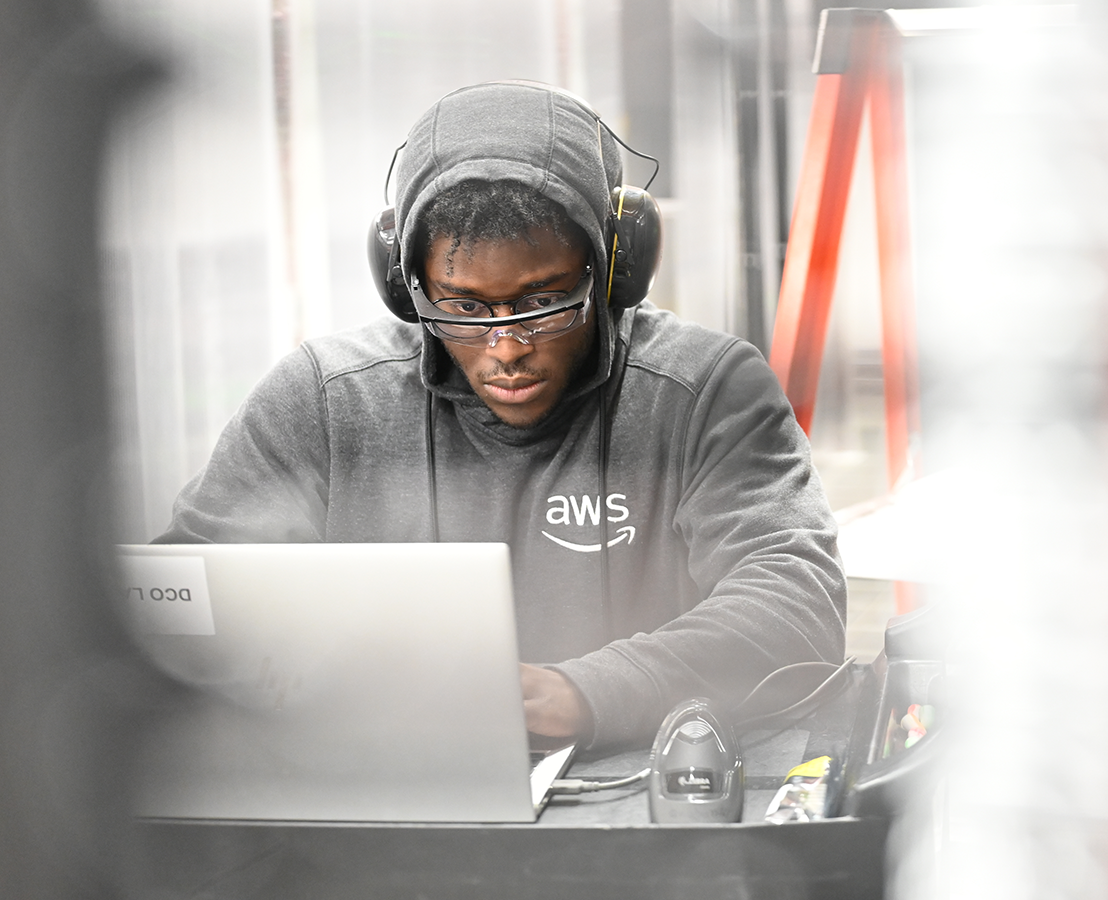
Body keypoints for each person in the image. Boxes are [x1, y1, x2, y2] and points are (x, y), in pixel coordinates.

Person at [157, 81, 847, 749]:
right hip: (369, 797)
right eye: (464, 309)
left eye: (543, 301)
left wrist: (593, 693)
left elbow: (797, 607)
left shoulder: (708, 393)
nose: (507, 348)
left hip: (635, 806)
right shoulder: (324, 401)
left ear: (612, 269)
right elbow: (182, 603)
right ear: (408, 288)